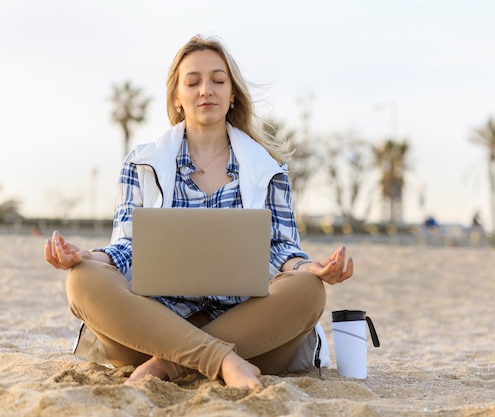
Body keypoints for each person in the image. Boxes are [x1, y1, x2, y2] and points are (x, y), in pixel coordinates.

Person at [43, 35, 354, 389]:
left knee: (309, 290)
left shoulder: (269, 168)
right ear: (177, 96)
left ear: (232, 92)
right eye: (193, 82)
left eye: (218, 80)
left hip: (249, 336)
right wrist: (89, 256)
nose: (206, 89)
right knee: (82, 278)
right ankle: (222, 361)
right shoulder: (141, 162)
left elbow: (281, 248)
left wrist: (307, 267)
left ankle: (164, 366)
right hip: (153, 329)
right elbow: (129, 247)